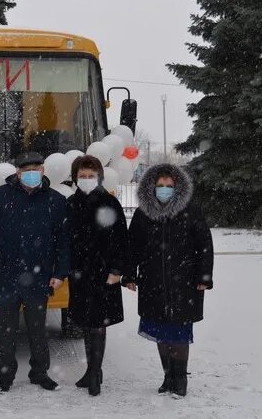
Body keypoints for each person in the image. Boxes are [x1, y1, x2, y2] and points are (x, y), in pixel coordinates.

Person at [0, 151, 70, 393]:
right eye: (26, 170)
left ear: (43, 171)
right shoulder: (0, 196)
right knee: (5, 330)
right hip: (5, 276)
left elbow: (63, 242)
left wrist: (60, 273)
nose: (31, 174)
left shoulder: (56, 201)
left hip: (39, 278)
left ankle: (40, 373)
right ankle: (5, 377)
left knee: (38, 330)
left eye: (36, 169)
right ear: (17, 173)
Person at [123, 163, 214, 398]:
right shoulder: (144, 213)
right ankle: (167, 376)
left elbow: (204, 244)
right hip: (153, 282)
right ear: (151, 187)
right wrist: (130, 274)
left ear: (177, 187)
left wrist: (204, 276)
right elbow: (133, 246)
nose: (164, 189)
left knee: (180, 332)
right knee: (161, 332)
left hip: (184, 282)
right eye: (160, 185)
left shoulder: (190, 210)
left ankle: (180, 377)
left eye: (169, 186)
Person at [67, 155, 128, 396]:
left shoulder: (109, 203)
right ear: (75, 178)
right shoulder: (71, 203)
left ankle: (94, 374)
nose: (86, 179)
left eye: (91, 176)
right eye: (82, 176)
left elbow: (121, 240)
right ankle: (93, 370)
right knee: (85, 321)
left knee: (98, 323)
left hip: (104, 274)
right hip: (79, 273)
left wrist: (116, 270)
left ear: (99, 177)